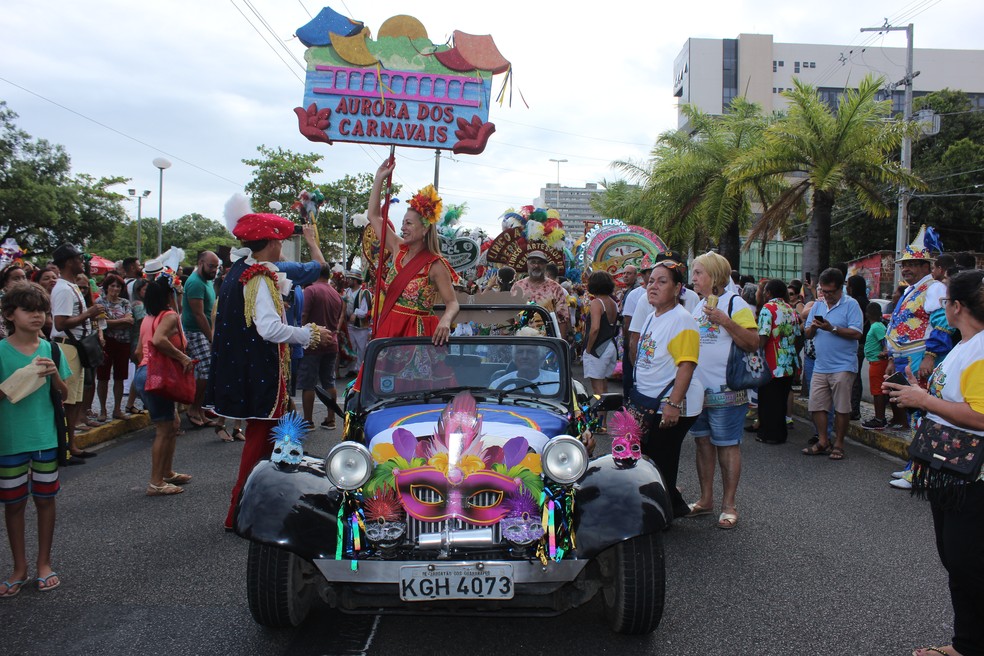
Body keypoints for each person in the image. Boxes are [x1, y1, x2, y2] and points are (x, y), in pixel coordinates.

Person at [207, 195, 333, 530]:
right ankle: (237, 511)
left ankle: (266, 501)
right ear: (271, 244)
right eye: (279, 242)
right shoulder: (258, 278)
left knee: (270, 436)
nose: (281, 248)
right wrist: (307, 334)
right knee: (259, 438)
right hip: (262, 372)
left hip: (251, 371)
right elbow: (269, 328)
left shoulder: (240, 270)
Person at [885, 270, 984, 656]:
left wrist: (924, 401)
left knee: (966, 564)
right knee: (959, 563)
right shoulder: (966, 345)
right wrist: (919, 390)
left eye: (945, 304)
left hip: (972, 475)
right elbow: (956, 398)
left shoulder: (979, 350)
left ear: (956, 306)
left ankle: (969, 646)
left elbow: (979, 414)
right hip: (952, 470)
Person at [0, 282, 72, 596]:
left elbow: (64, 393)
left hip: (45, 437)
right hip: (9, 441)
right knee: (13, 505)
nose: (37, 316)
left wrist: (54, 374)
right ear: (9, 315)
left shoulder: (51, 349)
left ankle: (44, 563)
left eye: (41, 310)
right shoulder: (2, 351)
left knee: (45, 501)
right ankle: (19, 566)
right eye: (28, 309)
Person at [685, 251, 759, 530]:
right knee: (702, 443)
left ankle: (729, 505)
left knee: (727, 446)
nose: (693, 278)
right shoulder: (697, 305)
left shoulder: (735, 302)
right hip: (697, 391)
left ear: (714, 276)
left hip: (727, 390)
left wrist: (725, 320)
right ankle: (706, 500)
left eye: (698, 272)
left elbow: (753, 342)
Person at [626, 260, 702, 519]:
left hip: (670, 404)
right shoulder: (652, 315)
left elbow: (686, 366)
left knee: (660, 460)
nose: (653, 286)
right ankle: (672, 505)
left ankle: (663, 514)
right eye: (650, 281)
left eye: (662, 281)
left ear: (678, 288)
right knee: (651, 458)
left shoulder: (682, 321)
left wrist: (673, 403)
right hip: (648, 401)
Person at [367, 158, 459, 344]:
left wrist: (446, 320)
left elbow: (452, 303)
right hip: (390, 326)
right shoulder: (397, 248)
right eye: (402, 223)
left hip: (417, 332)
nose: (403, 228)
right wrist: (379, 180)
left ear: (425, 229)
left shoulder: (435, 264)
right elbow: (374, 216)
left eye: (408, 223)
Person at [132, 276, 194, 496]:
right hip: (156, 374)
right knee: (164, 429)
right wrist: (182, 358)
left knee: (171, 424)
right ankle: (156, 482)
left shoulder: (148, 318)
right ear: (169, 295)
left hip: (144, 372)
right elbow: (159, 341)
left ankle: (166, 472)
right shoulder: (169, 316)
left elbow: (139, 351)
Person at [49, 244, 105, 462]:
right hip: (68, 347)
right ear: (69, 262)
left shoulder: (70, 286)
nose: (82, 262)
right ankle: (64, 448)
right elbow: (61, 323)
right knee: (68, 400)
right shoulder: (63, 289)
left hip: (75, 347)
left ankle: (71, 445)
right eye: (78, 258)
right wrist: (89, 313)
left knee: (75, 399)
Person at [801, 267, 864, 460]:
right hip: (821, 364)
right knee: (816, 405)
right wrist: (813, 328)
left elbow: (857, 333)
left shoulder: (851, 304)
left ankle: (839, 444)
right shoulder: (818, 306)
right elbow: (807, 332)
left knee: (842, 407)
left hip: (843, 365)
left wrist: (832, 328)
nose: (826, 295)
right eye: (823, 291)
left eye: (830, 292)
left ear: (840, 288)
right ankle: (823, 440)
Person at [755, 279, 801, 444]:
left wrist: (757, 351)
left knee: (768, 399)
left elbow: (764, 334)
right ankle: (780, 434)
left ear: (768, 293)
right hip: (788, 361)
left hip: (772, 361)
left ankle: (768, 434)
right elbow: (796, 333)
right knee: (781, 399)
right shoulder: (790, 308)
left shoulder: (768, 308)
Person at [299, 264, 343, 429]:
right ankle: (331, 418)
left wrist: (299, 334)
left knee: (308, 383)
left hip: (313, 342)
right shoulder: (336, 294)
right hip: (331, 342)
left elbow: (303, 315)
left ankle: (308, 421)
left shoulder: (311, 290)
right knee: (329, 382)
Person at [181, 251, 221, 429]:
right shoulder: (196, 283)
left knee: (205, 372)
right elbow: (198, 314)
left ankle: (201, 410)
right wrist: (211, 337)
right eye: (211, 266)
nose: (214, 270)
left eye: (216, 267)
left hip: (205, 329)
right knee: (206, 370)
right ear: (200, 263)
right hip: (196, 331)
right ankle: (193, 409)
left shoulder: (206, 280)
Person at [95, 273, 133, 421]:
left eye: (118, 286)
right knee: (103, 377)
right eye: (112, 285)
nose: (115, 289)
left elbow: (130, 320)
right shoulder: (100, 302)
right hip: (106, 342)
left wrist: (112, 321)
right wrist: (121, 321)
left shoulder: (125, 303)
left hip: (123, 342)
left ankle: (117, 409)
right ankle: (103, 410)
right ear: (106, 287)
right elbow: (102, 323)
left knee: (120, 377)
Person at [513, 250, 570, 339]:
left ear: (545, 266)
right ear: (527, 264)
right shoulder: (518, 286)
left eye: (540, 263)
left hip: (547, 342)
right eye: (533, 262)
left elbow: (562, 319)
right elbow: (510, 316)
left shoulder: (555, 288)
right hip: (521, 340)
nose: (536, 265)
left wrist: (560, 345)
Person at [489, 329, 560, 395]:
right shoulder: (497, 385)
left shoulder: (558, 383)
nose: (524, 356)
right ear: (514, 357)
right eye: (520, 352)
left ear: (540, 356)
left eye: (530, 352)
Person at [582, 270, 619, 400]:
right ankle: (603, 420)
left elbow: (595, 328)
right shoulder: (613, 303)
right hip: (610, 345)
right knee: (604, 386)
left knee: (597, 389)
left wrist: (588, 349)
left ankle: (600, 420)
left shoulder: (596, 303)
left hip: (598, 348)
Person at [861, 301, 890, 430]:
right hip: (874, 361)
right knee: (878, 390)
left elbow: (885, 341)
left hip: (878, 362)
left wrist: (884, 351)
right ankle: (880, 417)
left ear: (867, 314)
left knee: (877, 391)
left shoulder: (877, 326)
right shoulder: (876, 325)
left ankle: (879, 418)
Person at [846, 274, 870, 420]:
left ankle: (853, 409)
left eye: (848, 285)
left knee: (853, 378)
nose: (847, 288)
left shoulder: (855, 303)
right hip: (863, 344)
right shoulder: (866, 302)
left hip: (857, 344)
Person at [124, 278, 149, 415]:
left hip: (142, 342)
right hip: (138, 343)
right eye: (145, 289)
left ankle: (130, 404)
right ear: (138, 291)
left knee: (140, 374)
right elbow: (144, 322)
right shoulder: (138, 305)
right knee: (143, 373)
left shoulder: (145, 304)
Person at [342, 270, 371, 373]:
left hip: (361, 327)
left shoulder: (364, 292)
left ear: (355, 280)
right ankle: (352, 369)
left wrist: (355, 313)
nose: (348, 281)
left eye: (350, 279)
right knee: (351, 347)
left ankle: (360, 370)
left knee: (361, 348)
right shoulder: (347, 292)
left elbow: (365, 311)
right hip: (349, 325)